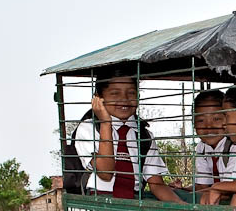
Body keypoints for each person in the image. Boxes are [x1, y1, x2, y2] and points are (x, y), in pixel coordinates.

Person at [72, 69, 183, 203]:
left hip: (134, 201)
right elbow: (105, 173)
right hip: (99, 200)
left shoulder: (144, 136)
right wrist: (106, 123)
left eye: (131, 93)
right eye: (115, 94)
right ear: (98, 98)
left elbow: (156, 184)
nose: (124, 99)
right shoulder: (88, 129)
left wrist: (184, 207)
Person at [191, 89, 231, 192]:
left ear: (229, 119)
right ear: (194, 124)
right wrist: (182, 189)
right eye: (200, 120)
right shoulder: (202, 147)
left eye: (216, 119)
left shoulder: (234, 145)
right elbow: (203, 186)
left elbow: (229, 189)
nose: (208, 127)